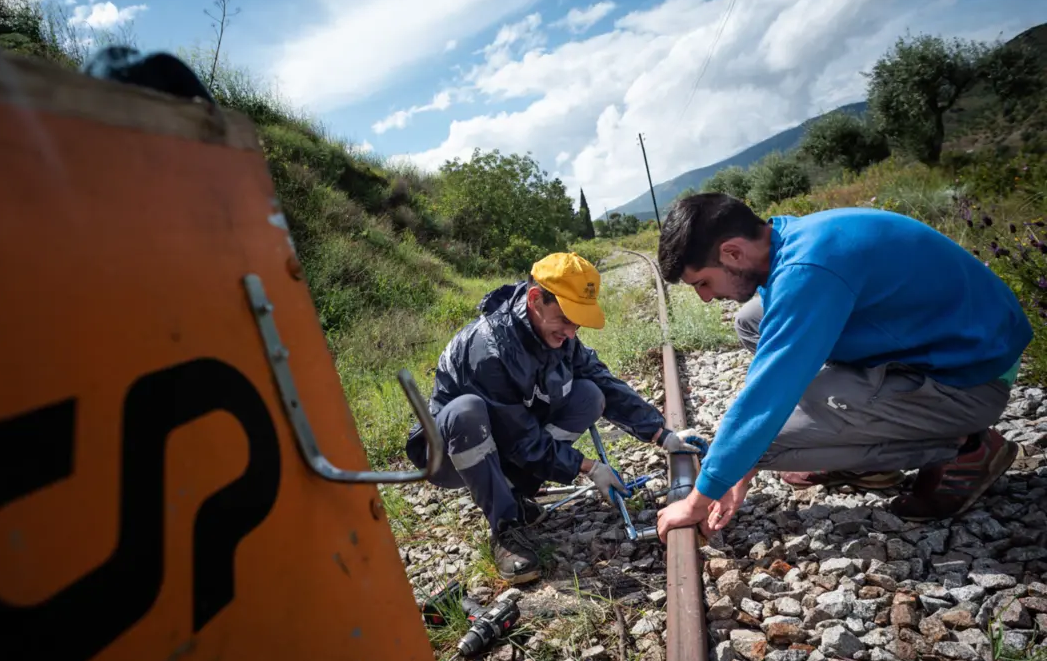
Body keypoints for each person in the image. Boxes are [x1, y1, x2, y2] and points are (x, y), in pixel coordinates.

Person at [652, 193, 1033, 541]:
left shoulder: (808, 270)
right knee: (751, 320)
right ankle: (866, 461)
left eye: (702, 282)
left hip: (973, 379)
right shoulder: (788, 238)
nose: (704, 298)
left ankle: (964, 448)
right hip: (953, 342)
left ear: (733, 253)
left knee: (765, 444)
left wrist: (703, 495)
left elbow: (767, 398)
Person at [405, 252, 709, 583]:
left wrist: (661, 434)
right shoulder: (488, 350)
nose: (571, 331)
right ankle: (505, 528)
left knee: (590, 395)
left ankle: (517, 493)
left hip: (508, 437)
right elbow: (520, 440)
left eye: (577, 322)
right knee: (467, 411)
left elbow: (602, 378)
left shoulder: (554, 332)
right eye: (566, 319)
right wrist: (590, 467)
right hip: (450, 453)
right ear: (536, 299)